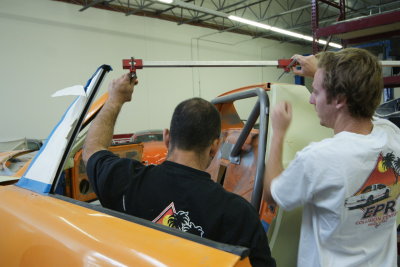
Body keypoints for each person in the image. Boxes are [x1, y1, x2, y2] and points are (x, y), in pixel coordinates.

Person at [83, 73, 276, 267]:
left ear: (167, 138)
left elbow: (92, 149)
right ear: (215, 147)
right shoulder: (238, 214)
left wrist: (116, 98)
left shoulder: (126, 180)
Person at [264, 48, 400, 267]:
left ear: (339, 99)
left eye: (316, 92)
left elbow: (271, 194)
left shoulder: (318, 158)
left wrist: (278, 133)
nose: (310, 99)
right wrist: (324, 73)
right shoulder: (393, 136)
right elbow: (366, 112)